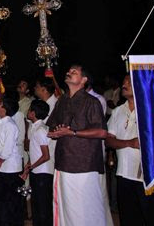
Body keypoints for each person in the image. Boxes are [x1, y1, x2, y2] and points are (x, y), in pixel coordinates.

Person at [46, 64, 110, 226]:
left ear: (83, 80)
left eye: (73, 72)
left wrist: (72, 132)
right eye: (68, 71)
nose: (68, 72)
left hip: (84, 165)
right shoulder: (62, 100)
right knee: (66, 209)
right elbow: (53, 125)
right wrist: (56, 132)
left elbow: (102, 133)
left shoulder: (92, 102)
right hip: (63, 162)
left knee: (86, 209)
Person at [106, 74, 154, 225]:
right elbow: (108, 140)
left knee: (153, 218)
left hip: (149, 177)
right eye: (123, 81)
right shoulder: (118, 111)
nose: (124, 84)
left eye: (129, 82)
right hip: (124, 174)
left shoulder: (153, 110)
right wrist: (129, 143)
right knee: (129, 219)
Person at [0, 97, 24, 226]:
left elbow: (8, 148)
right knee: (1, 199)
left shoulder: (10, 125)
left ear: (5, 108)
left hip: (11, 168)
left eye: (0, 103)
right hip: (0, 166)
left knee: (12, 200)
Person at [21, 99, 53, 226]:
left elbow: (46, 156)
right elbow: (35, 152)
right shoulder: (34, 127)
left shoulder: (40, 129)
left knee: (43, 206)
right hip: (37, 171)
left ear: (33, 113)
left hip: (43, 172)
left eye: (29, 110)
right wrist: (28, 165)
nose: (27, 112)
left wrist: (31, 166)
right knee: (36, 204)